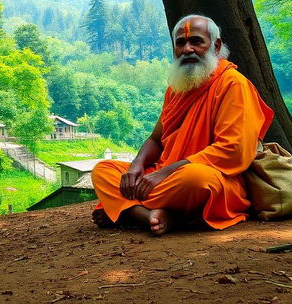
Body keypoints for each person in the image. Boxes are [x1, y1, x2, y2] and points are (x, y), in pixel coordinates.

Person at [91, 14, 273, 236]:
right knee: (104, 170)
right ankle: (151, 215)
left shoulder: (233, 84)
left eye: (196, 41)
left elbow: (234, 150)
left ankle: (125, 210)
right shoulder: (177, 88)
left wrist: (165, 173)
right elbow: (156, 139)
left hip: (211, 178)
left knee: (196, 179)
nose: (187, 49)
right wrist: (136, 165)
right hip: (165, 179)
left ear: (215, 46)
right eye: (181, 43)